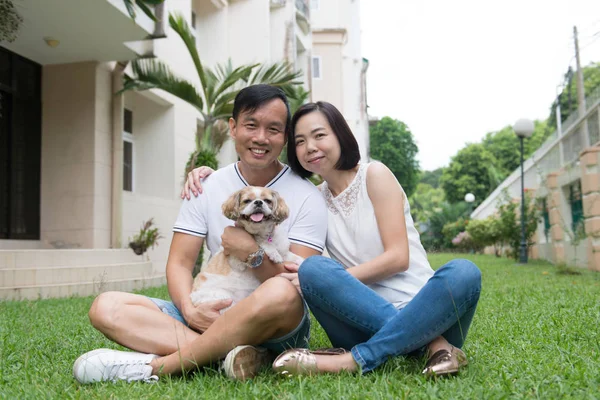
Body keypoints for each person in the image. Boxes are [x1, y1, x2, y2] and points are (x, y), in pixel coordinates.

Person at [183, 101, 481, 377]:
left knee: (464, 272)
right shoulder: (311, 199)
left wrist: (338, 280)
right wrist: (210, 175)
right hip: (356, 323)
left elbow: (398, 258)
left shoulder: (375, 175)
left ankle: (354, 359)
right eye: (300, 142)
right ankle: (435, 347)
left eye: (318, 135)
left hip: (428, 313)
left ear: (340, 134)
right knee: (313, 270)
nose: (310, 147)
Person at [72, 85, 328, 384]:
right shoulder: (204, 186)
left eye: (273, 129)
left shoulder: (307, 196)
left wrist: (249, 252)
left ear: (284, 136)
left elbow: (297, 285)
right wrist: (191, 312)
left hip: (275, 323)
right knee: (106, 306)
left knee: (281, 293)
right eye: (250, 125)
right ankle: (238, 356)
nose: (260, 138)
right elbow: (180, 263)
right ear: (233, 128)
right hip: (209, 311)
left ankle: (160, 366)